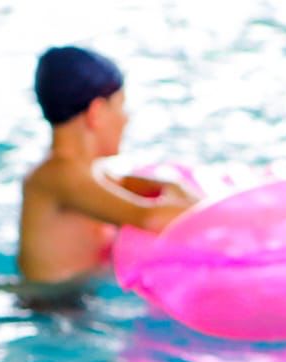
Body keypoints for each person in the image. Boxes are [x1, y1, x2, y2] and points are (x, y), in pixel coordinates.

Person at [17, 46, 197, 285]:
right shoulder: (59, 174)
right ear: (97, 112)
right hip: (47, 310)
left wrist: (173, 186)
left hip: (74, 303)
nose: (126, 118)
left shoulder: (82, 175)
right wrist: (216, 211)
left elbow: (127, 186)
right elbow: (150, 218)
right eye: (120, 106)